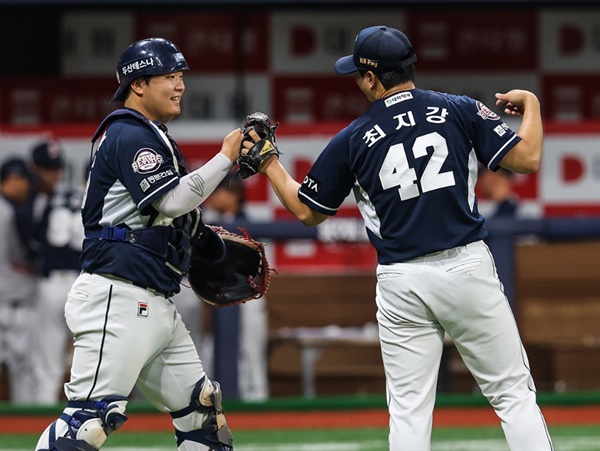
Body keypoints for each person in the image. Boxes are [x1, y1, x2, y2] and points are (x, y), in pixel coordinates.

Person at [245, 25, 553, 450]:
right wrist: (533, 104)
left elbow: (306, 211)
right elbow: (529, 158)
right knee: (513, 396)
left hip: (401, 279)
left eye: (358, 73)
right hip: (465, 266)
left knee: (409, 410)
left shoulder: (353, 137)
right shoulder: (458, 109)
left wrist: (270, 164)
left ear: (372, 78)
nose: (356, 81)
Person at [35, 37, 243, 451]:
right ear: (139, 84)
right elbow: (168, 199)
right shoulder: (128, 134)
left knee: (204, 422)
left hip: (155, 302)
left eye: (181, 75)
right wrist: (226, 157)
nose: (180, 85)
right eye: (169, 76)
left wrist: (197, 238)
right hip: (118, 295)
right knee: (86, 425)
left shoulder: (154, 135)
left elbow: (172, 213)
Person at [202, 172, 269, 401]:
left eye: (218, 191)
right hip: (213, 297)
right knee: (208, 352)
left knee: (252, 349)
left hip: (249, 297)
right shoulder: (206, 225)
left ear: (234, 194)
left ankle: (257, 399)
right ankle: (213, 400)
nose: (212, 197)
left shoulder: (250, 225)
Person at [28, 140, 85, 405]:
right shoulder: (90, 199)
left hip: (51, 284)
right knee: (87, 365)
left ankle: (40, 429)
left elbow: (33, 245)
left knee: (47, 366)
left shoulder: (43, 200)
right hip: (83, 284)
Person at [0, 158, 38, 405]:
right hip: (12, 300)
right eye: (23, 180)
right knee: (23, 371)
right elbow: (19, 257)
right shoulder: (7, 212)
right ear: (12, 179)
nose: (27, 187)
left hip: (9, 300)